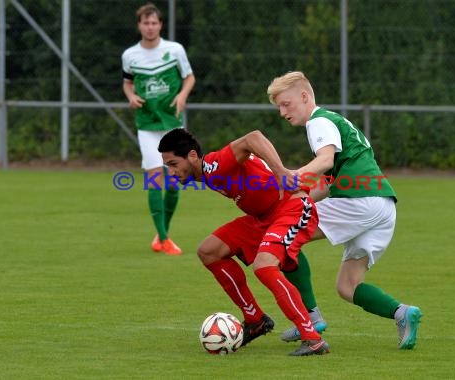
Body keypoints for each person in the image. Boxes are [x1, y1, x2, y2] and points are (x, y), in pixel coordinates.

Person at [267, 71, 423, 350]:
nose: (282, 112)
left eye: (286, 103)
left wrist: (292, 176)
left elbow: (325, 161)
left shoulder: (318, 122)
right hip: (383, 205)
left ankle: (310, 318)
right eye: (278, 106)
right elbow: (328, 183)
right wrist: (299, 198)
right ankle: (403, 313)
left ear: (304, 97)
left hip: (359, 201)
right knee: (347, 286)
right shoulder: (335, 121)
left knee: (281, 239)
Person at [158, 128, 330, 356]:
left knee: (265, 267)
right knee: (209, 251)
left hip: (291, 208)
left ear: (191, 156)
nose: (171, 172)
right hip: (262, 219)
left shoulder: (215, 164)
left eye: (173, 164)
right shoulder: (207, 174)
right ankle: (255, 319)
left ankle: (312, 338)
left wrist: (280, 172)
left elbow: (253, 137)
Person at [122, 2, 195, 255]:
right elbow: (127, 83)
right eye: (145, 23)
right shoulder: (130, 55)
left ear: (160, 25)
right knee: (154, 179)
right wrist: (130, 96)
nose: (150, 27)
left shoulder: (174, 50)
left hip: (173, 123)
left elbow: (189, 77)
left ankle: (161, 235)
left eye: (154, 23)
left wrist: (183, 95)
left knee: (175, 182)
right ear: (139, 25)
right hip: (147, 124)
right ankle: (164, 239)